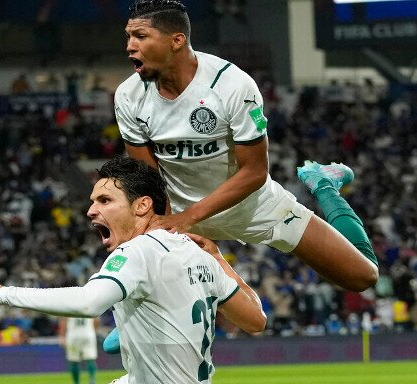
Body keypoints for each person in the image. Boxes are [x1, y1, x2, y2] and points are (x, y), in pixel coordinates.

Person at [115, 0, 378, 292]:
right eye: (128, 36)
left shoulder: (231, 86)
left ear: (176, 40)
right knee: (140, 286)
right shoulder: (129, 95)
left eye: (140, 36)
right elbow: (147, 175)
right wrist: (160, 230)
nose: (129, 46)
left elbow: (254, 171)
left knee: (362, 277)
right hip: (178, 214)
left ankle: (324, 185)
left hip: (252, 208)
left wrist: (189, 217)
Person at [0, 157, 266, 384]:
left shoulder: (139, 250)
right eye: (92, 201)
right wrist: (218, 258)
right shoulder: (199, 254)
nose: (91, 210)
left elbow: (89, 302)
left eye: (104, 200)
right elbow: (255, 320)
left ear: (143, 205)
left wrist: (1, 293)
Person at [58, 317, 98, 384]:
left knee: (74, 361)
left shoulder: (68, 306)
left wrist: (62, 336)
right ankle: (92, 382)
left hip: (73, 335)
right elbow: (96, 320)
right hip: (88, 334)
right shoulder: (89, 305)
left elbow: (63, 320)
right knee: (90, 359)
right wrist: (93, 331)